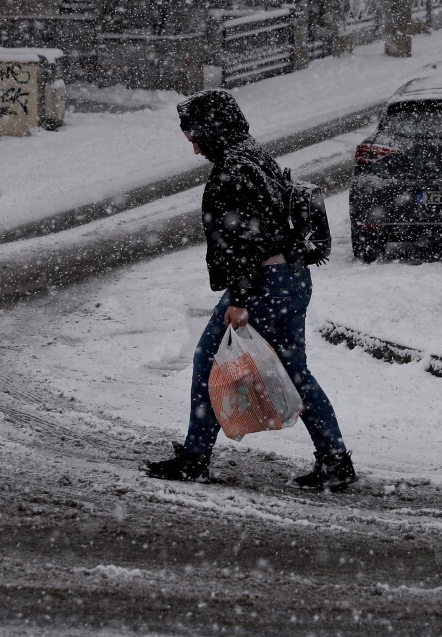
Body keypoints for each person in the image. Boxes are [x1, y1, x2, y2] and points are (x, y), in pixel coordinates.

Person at [143, 89, 357, 491]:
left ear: (212, 129)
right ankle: (334, 459)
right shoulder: (255, 156)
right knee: (295, 373)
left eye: (195, 137)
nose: (194, 148)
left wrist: (239, 300)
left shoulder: (236, 168)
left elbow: (244, 240)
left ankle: (195, 458)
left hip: (262, 285)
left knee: (210, 361)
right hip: (290, 279)